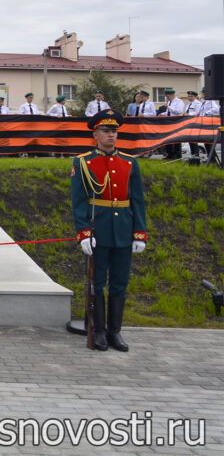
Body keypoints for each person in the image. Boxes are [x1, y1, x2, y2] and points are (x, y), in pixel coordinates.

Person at [71, 108, 147, 352]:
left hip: (123, 229)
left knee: (120, 283)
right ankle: (100, 330)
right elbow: (79, 201)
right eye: (106, 131)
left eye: (114, 131)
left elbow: (137, 201)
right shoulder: (83, 163)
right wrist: (83, 232)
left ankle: (115, 332)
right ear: (96, 134)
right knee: (97, 282)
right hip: (99, 229)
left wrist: (139, 233)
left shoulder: (129, 162)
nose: (111, 135)